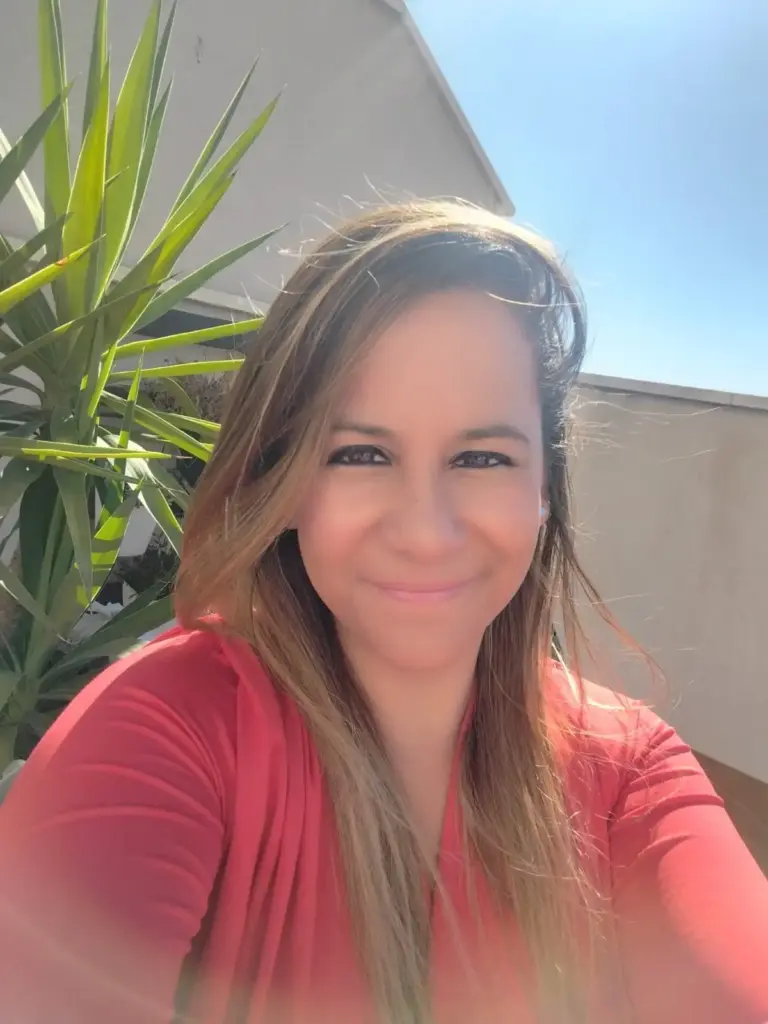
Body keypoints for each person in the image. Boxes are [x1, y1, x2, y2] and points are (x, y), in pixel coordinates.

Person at [0, 201, 766, 1024]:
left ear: (543, 491)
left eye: (482, 457)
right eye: (360, 453)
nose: (425, 533)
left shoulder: (629, 772)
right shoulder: (169, 728)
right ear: (287, 486)